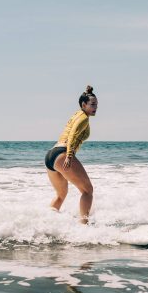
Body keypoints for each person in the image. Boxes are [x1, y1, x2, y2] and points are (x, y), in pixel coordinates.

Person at [44, 85, 98, 225]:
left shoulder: (77, 114)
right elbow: (73, 135)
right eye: (92, 104)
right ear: (83, 105)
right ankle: (83, 227)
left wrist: (88, 93)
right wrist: (69, 155)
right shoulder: (83, 118)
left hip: (51, 155)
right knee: (88, 191)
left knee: (61, 195)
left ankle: (46, 224)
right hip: (62, 154)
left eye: (96, 104)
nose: (95, 107)